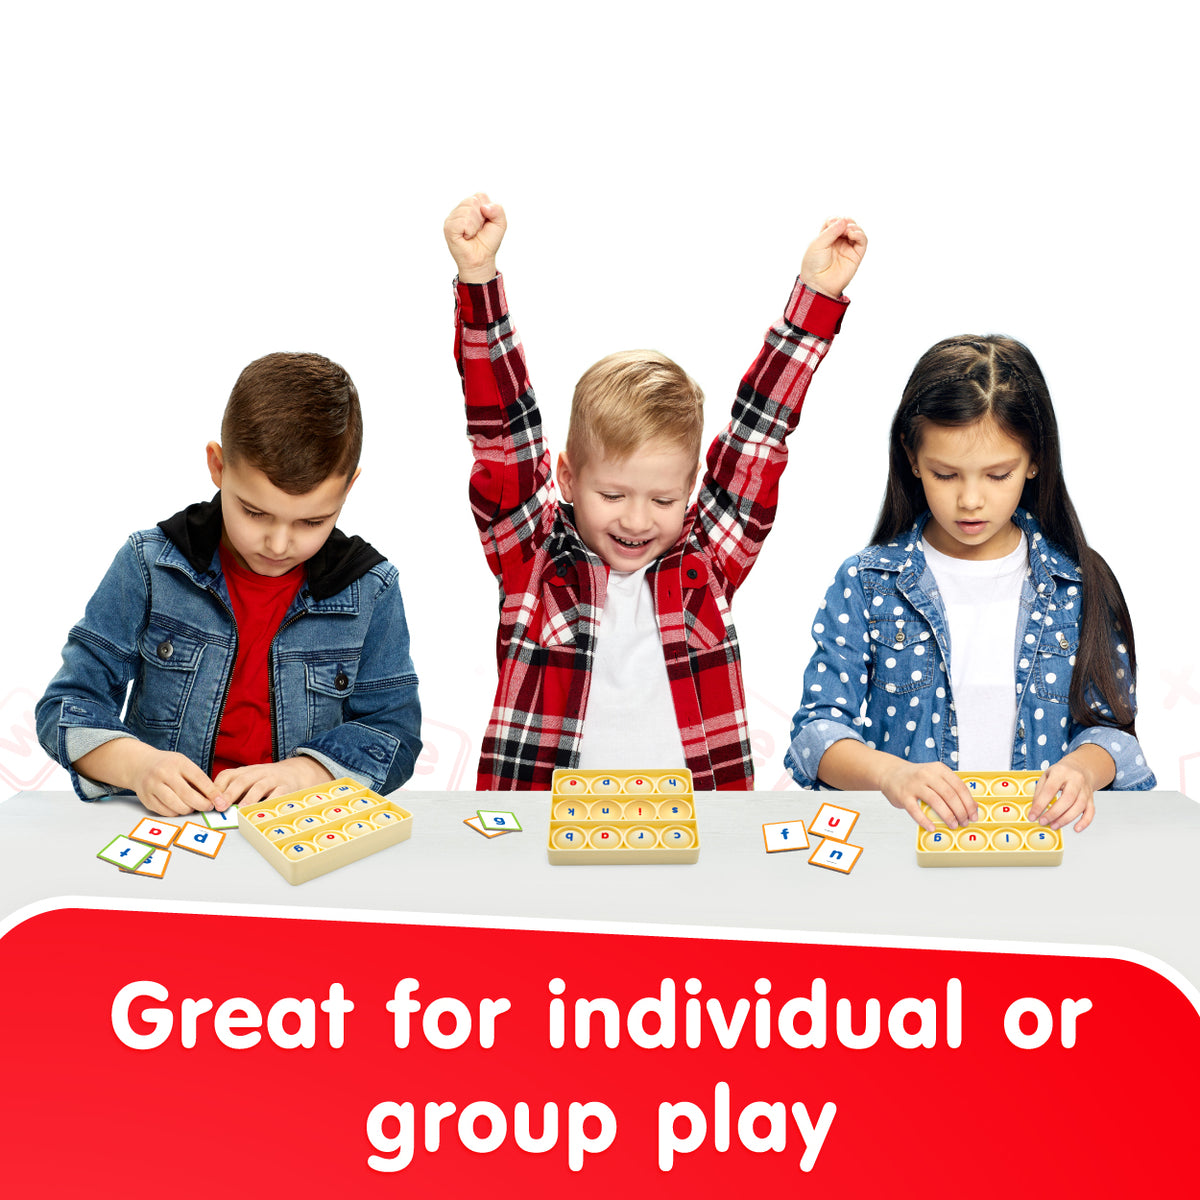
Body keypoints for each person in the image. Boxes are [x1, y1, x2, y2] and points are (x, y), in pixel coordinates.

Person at [444, 193, 866, 790]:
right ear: (566, 478)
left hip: (691, 843)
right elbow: (502, 435)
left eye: (664, 500)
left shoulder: (707, 562)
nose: (638, 519)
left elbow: (760, 431)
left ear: (690, 490)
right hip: (542, 841)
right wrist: (478, 280)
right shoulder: (532, 556)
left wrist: (814, 300)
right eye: (613, 496)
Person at [785, 335, 1154, 832]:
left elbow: (1115, 734)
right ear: (912, 459)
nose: (971, 500)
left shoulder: (1080, 583)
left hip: (1043, 858)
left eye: (999, 474)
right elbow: (816, 734)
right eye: (946, 474)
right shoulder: (868, 584)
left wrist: (1083, 769)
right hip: (907, 861)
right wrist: (892, 775)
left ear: (1035, 460)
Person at [36, 352, 422, 816]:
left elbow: (395, 730)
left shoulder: (371, 589)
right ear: (218, 467)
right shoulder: (149, 565)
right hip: (169, 830)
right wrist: (137, 765)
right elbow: (66, 703)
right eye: (255, 512)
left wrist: (305, 773)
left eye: (312, 521)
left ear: (349, 488)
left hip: (295, 832)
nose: (279, 544)